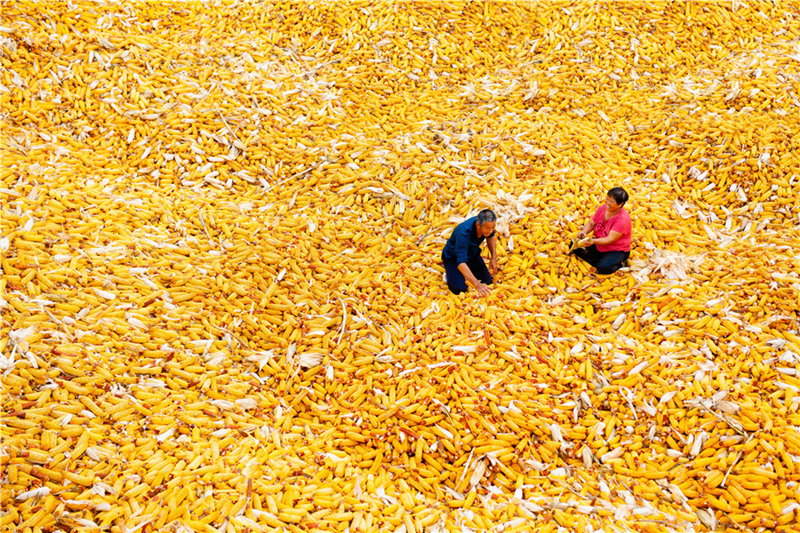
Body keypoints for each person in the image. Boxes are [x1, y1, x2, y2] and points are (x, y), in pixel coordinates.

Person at [571, 187, 631, 275]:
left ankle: (619, 263)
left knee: (603, 268)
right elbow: (591, 223)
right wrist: (584, 232)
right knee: (573, 245)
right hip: (599, 244)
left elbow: (610, 239)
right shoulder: (603, 208)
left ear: (620, 204)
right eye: (607, 199)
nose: (607, 203)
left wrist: (593, 241)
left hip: (616, 250)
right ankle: (600, 259)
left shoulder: (622, 219)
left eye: (611, 201)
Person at [441, 209, 498, 296]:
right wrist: (477, 284)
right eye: (488, 228)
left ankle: (468, 272)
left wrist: (493, 258)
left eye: (493, 227)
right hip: (453, 258)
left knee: (488, 281)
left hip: (472, 253)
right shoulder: (464, 234)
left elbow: (491, 237)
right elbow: (461, 263)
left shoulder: (487, 225)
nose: (491, 231)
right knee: (459, 289)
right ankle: (451, 269)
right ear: (478, 225)